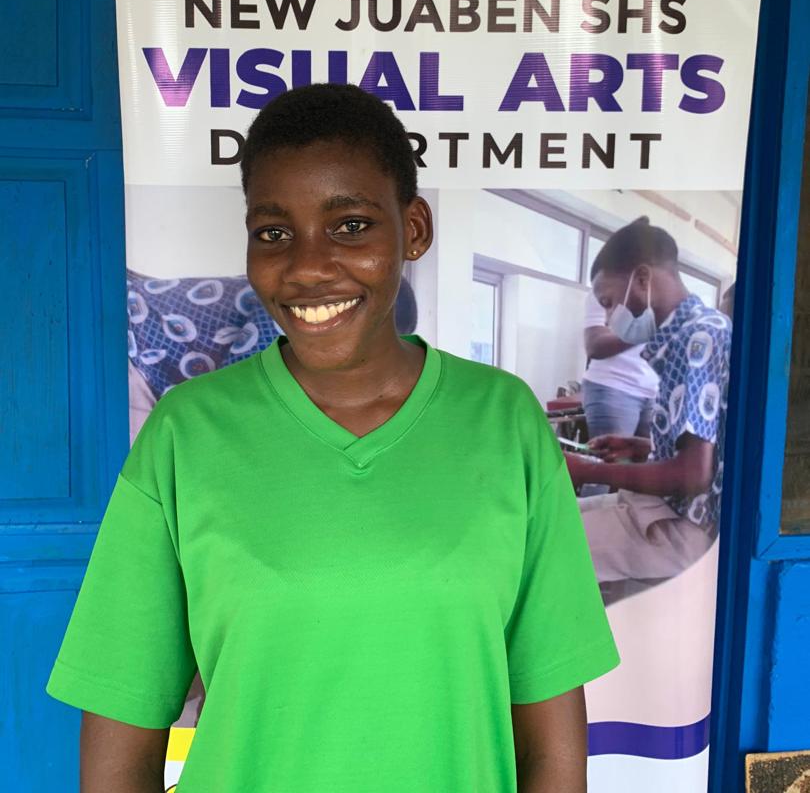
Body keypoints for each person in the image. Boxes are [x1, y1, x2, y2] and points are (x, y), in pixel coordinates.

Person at [46, 84, 619, 793]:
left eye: (350, 225)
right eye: (273, 232)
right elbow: (119, 730)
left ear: (413, 229)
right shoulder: (186, 432)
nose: (308, 266)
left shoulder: (504, 422)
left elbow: (552, 743)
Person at [564, 216, 731, 586]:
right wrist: (640, 447)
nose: (611, 317)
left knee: (547, 542)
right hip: (674, 508)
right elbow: (706, 448)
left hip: (687, 529)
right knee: (555, 515)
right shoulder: (695, 331)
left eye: (610, 303)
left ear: (642, 278)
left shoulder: (697, 340)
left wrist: (588, 470)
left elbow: (693, 475)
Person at [580, 287, 659, 495]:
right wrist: (647, 328)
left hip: (654, 391)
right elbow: (595, 345)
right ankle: (586, 517)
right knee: (603, 472)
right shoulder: (606, 287)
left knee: (648, 471)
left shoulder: (660, 295)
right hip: (613, 386)